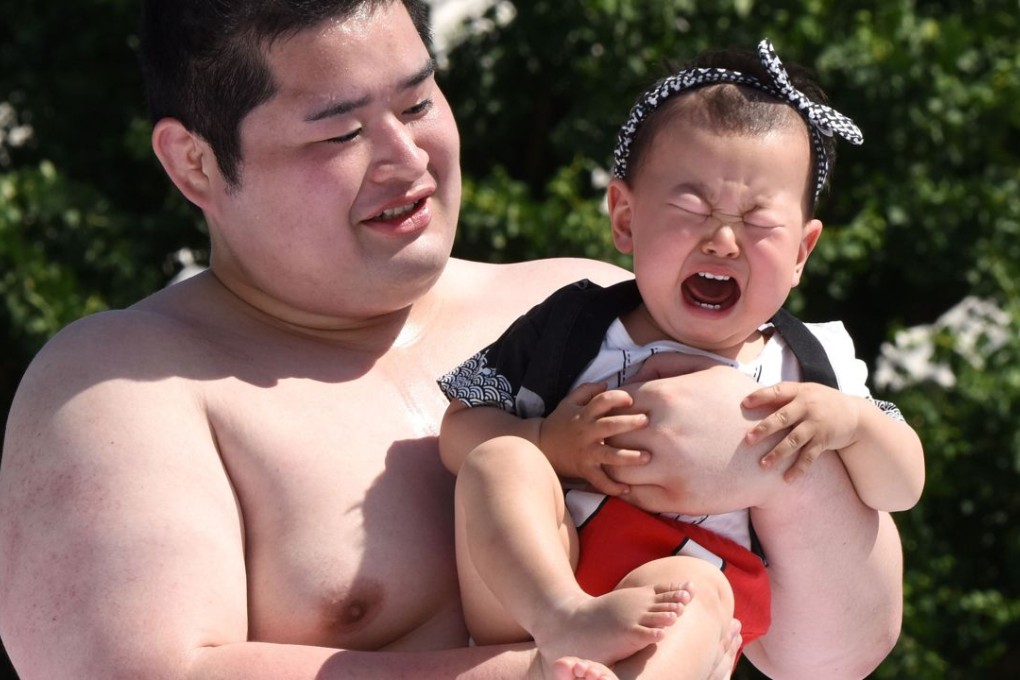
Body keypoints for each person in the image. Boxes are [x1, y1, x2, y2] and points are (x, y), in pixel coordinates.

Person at [0, 1, 903, 678]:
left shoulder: (592, 306)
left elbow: (834, 657)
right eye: (342, 130)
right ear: (195, 161)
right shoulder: (122, 390)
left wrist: (777, 455)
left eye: (420, 101)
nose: (408, 157)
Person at [438, 39, 925, 679]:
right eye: (691, 208)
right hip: (541, 576)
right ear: (625, 218)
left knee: (700, 593)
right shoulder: (577, 323)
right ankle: (565, 623)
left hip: (687, 572)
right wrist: (548, 440)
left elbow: (903, 485)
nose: (722, 240)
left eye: (758, 222)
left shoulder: (812, 360)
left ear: (804, 251)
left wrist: (853, 426)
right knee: (500, 460)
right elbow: (458, 431)